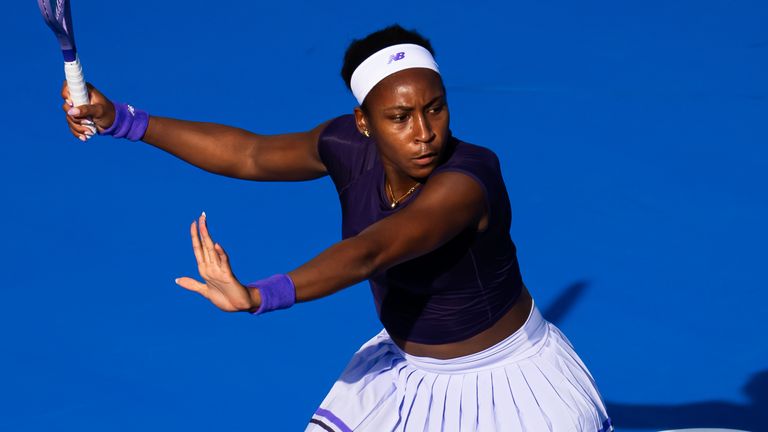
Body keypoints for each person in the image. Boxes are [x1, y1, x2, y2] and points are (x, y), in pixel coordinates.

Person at [61, 24, 612, 432]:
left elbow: (372, 251)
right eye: (400, 118)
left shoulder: (467, 181)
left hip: (510, 395)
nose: (424, 133)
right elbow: (250, 154)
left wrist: (260, 295)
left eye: (435, 109)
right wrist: (125, 122)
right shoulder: (344, 147)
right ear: (364, 123)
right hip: (402, 375)